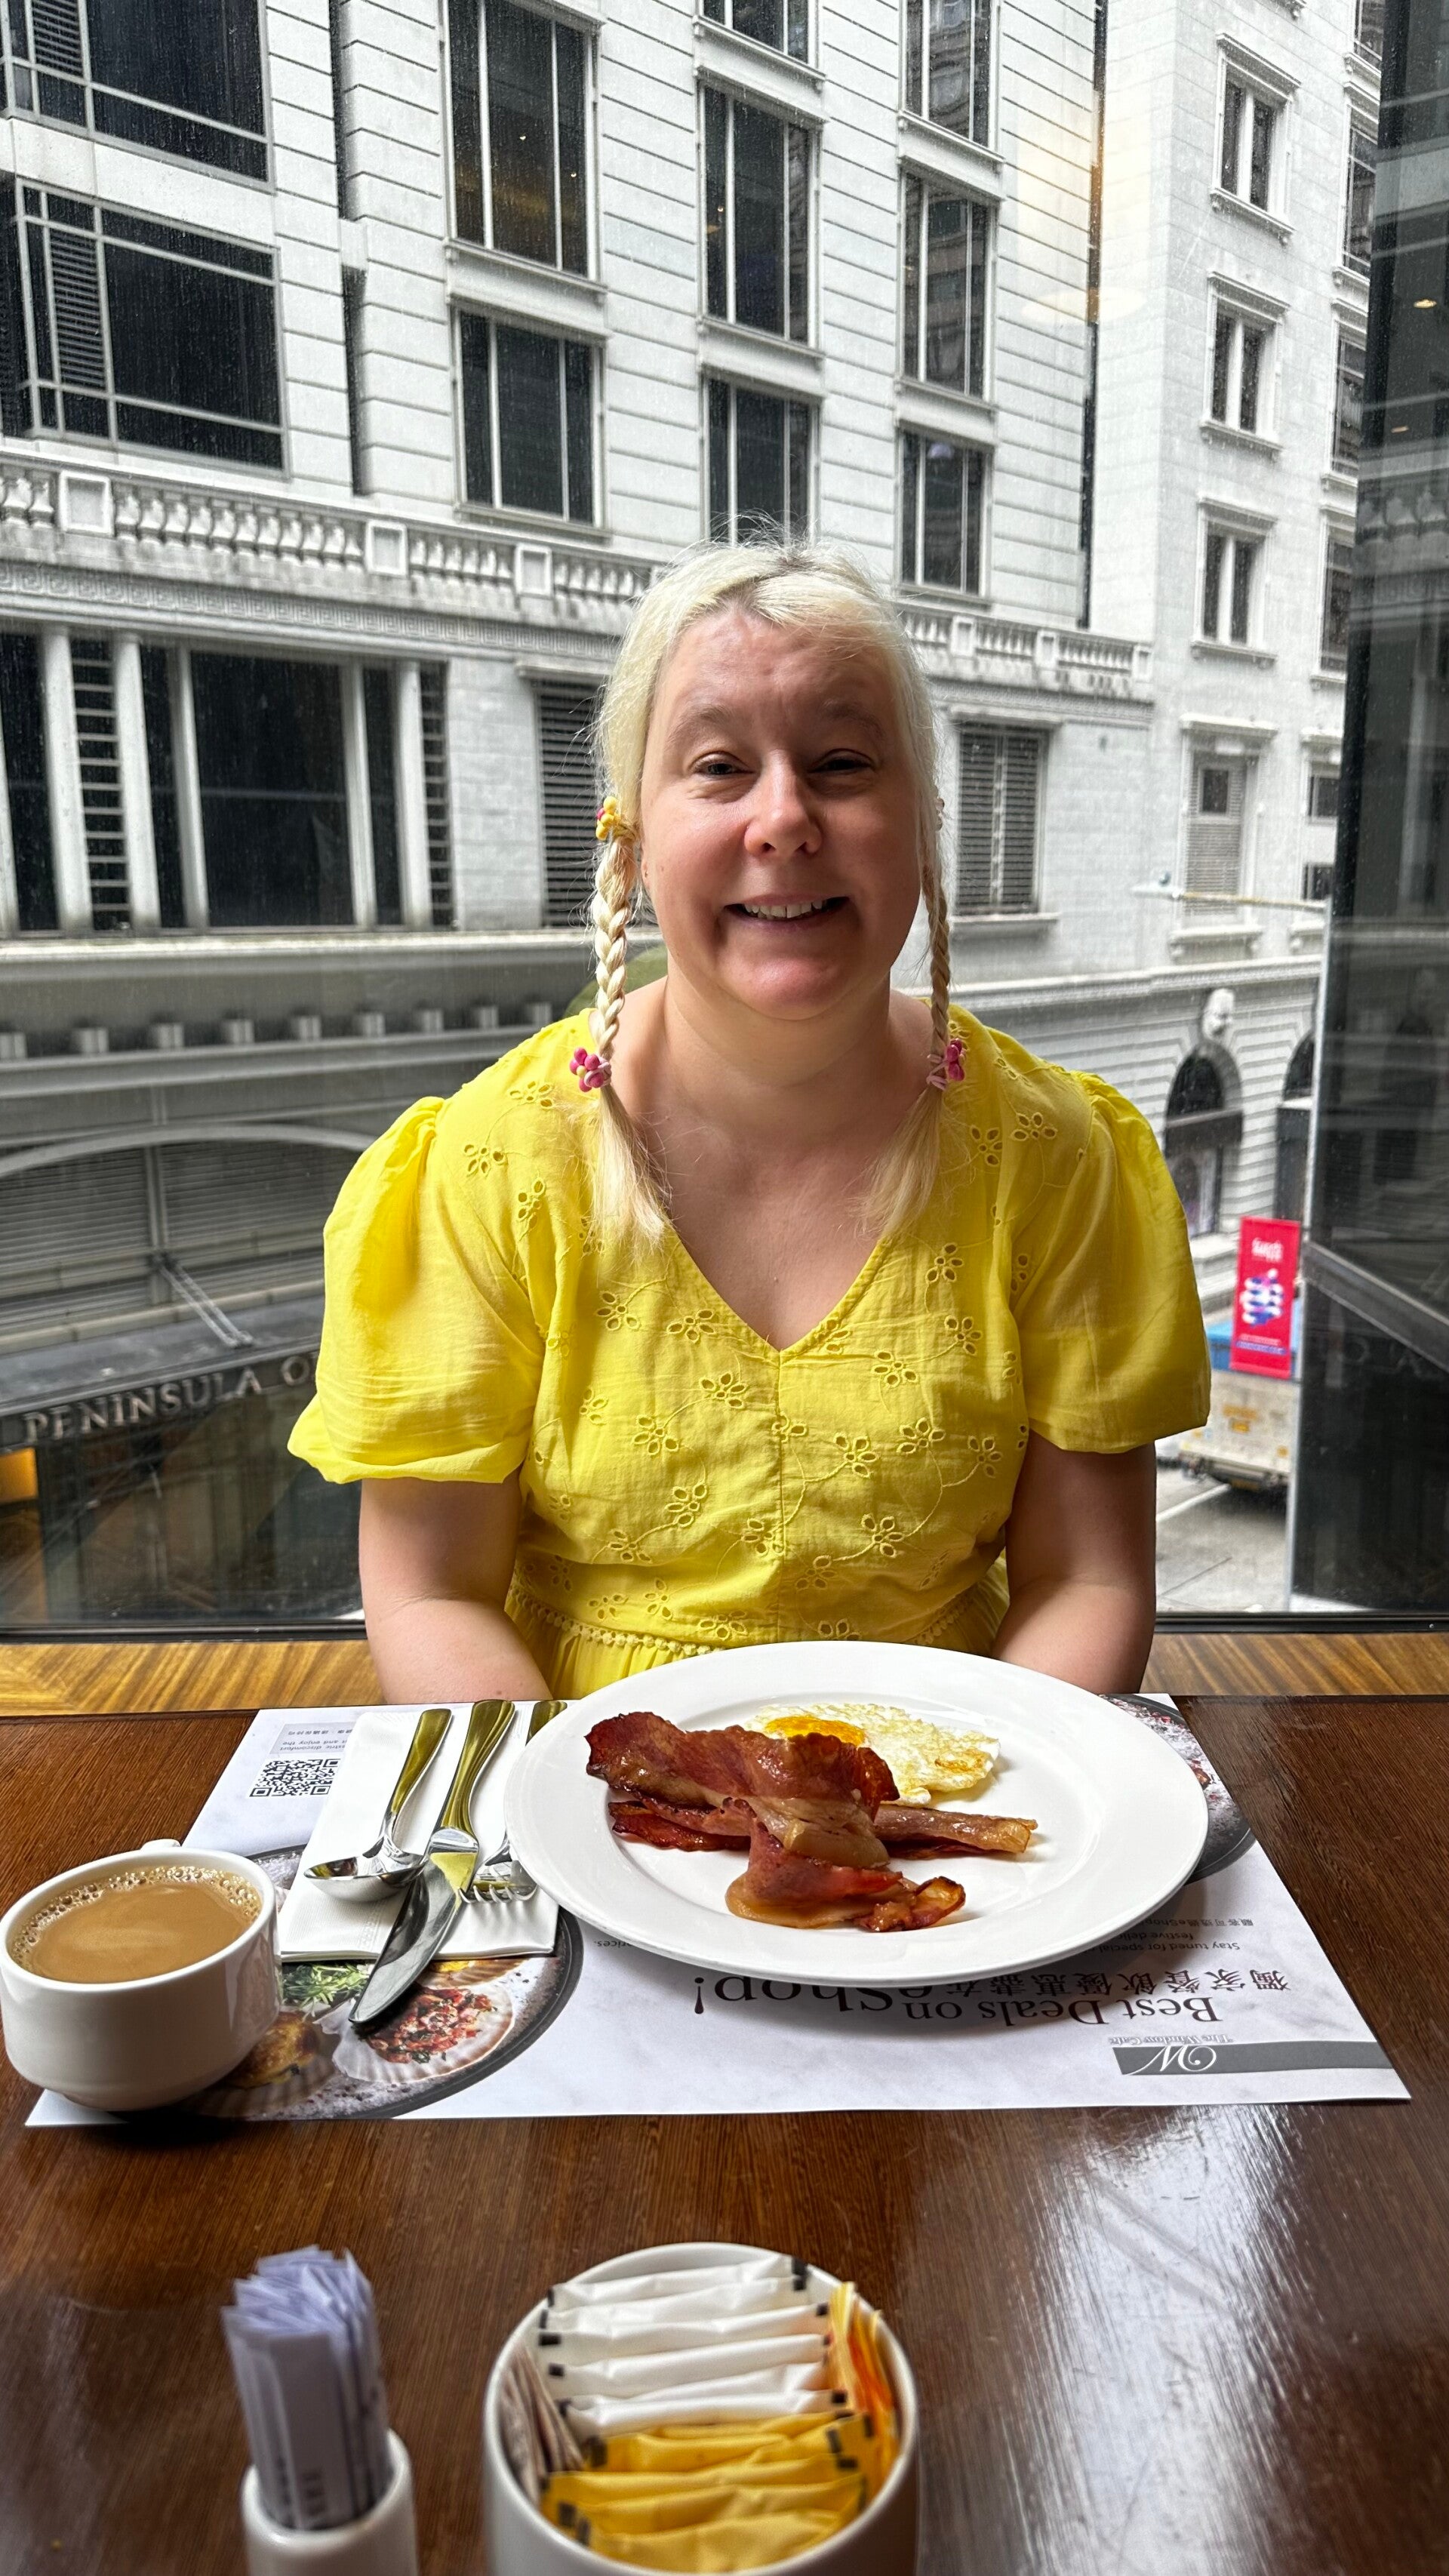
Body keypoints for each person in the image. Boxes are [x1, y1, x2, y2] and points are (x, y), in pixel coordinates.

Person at [290, 544, 1208, 1700]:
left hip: (954, 1778)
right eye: (719, 766)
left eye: (842, 763)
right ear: (629, 836)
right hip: (580, 1781)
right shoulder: (488, 1165)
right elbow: (433, 1593)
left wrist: (965, 1789)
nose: (784, 818)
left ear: (924, 821)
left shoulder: (1058, 1157)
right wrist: (585, 1801)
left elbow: (1088, 1580)